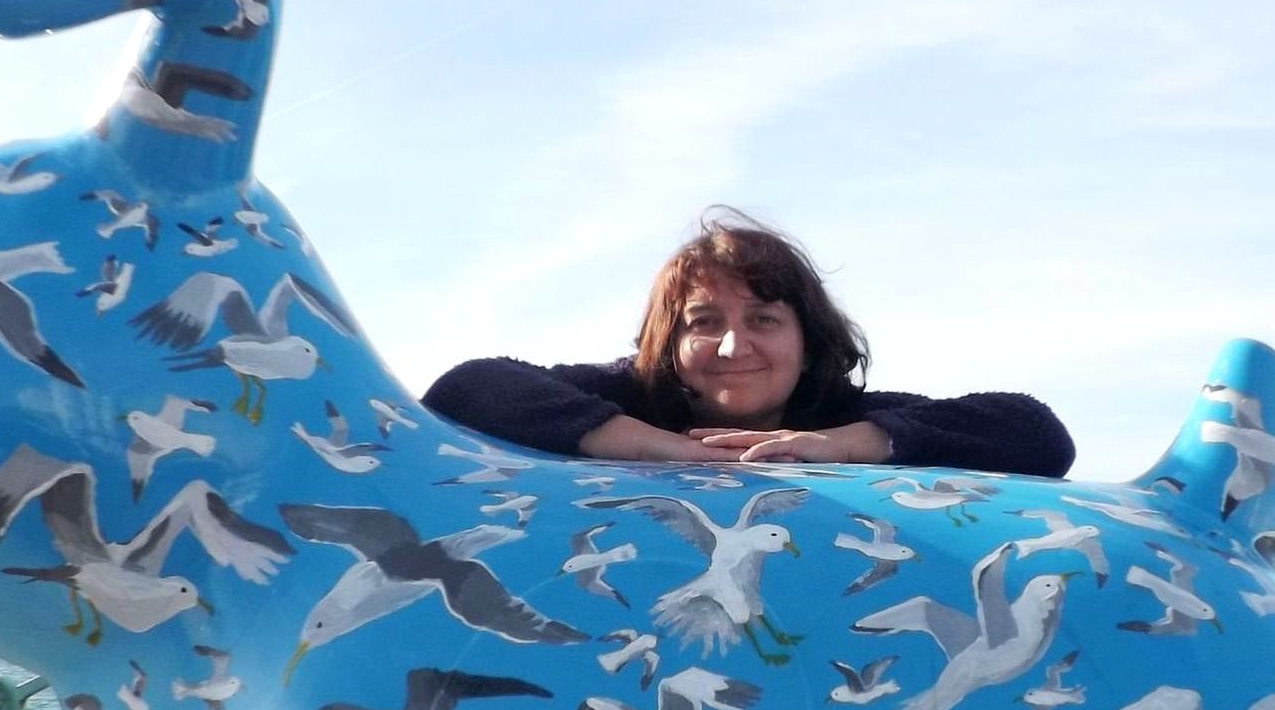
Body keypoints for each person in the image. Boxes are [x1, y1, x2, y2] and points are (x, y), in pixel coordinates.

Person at [423, 210, 1075, 477]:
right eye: (703, 322)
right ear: (670, 340)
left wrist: (834, 448)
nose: (733, 346)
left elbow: (1037, 434)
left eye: (763, 319)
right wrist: (665, 450)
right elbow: (469, 386)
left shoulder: (837, 416)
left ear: (807, 337)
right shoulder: (626, 394)